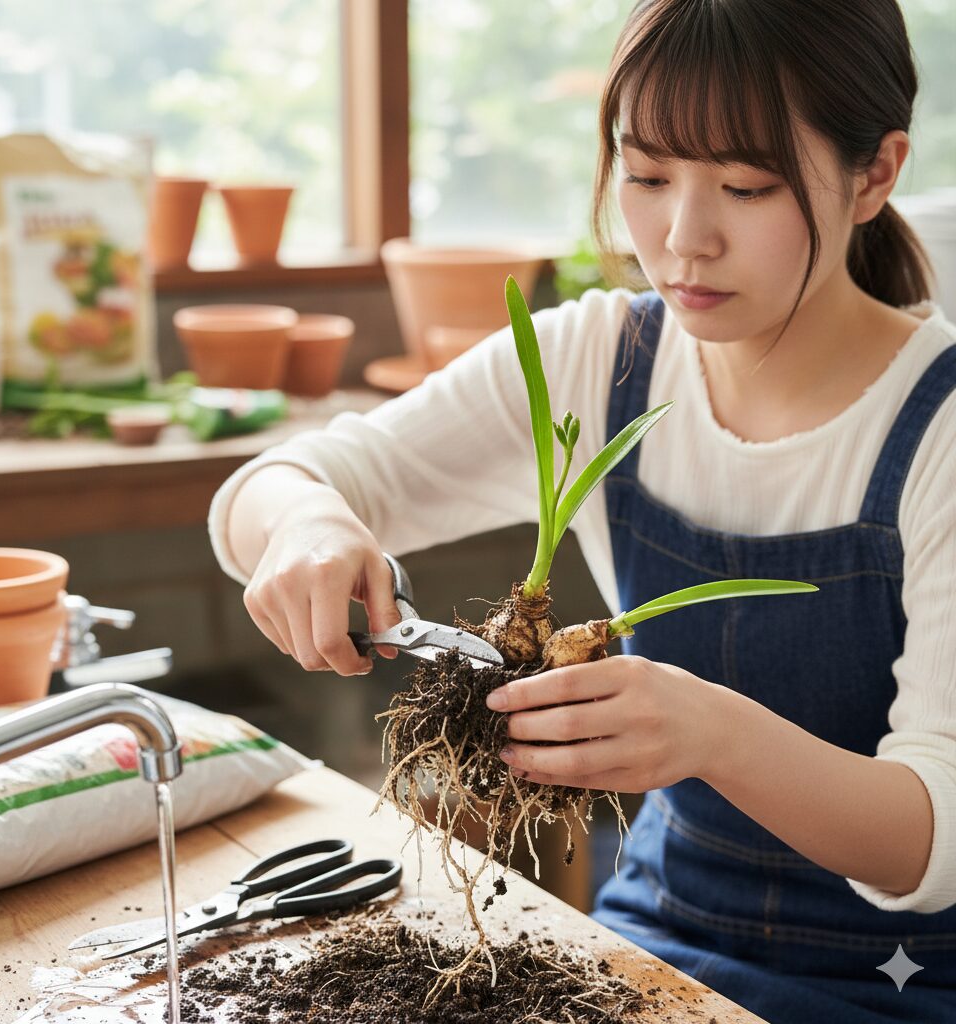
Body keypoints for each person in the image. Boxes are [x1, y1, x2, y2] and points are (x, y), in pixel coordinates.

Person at [207, 1, 956, 1020]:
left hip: (902, 983)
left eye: (745, 186)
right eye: (646, 176)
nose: (682, 239)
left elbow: (932, 835)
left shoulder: (938, 430)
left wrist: (713, 734)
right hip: (659, 946)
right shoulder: (598, 359)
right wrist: (306, 525)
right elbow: (272, 486)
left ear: (873, 173)